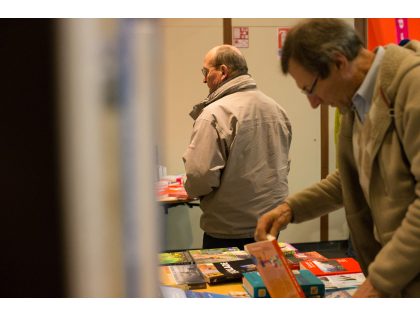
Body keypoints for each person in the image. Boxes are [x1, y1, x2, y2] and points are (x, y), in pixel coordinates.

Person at [254, 19, 420, 297]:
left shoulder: (410, 87)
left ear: (339, 62)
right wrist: (289, 209)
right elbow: (350, 178)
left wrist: (379, 282)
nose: (313, 102)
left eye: (310, 88)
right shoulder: (356, 102)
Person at [183, 44, 292, 250]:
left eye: (206, 72)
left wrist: (189, 188)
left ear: (223, 71)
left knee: (228, 282)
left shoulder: (214, 114)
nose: (203, 79)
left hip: (227, 231)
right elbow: (282, 165)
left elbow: (199, 176)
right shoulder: (276, 109)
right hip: (270, 225)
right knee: (263, 281)